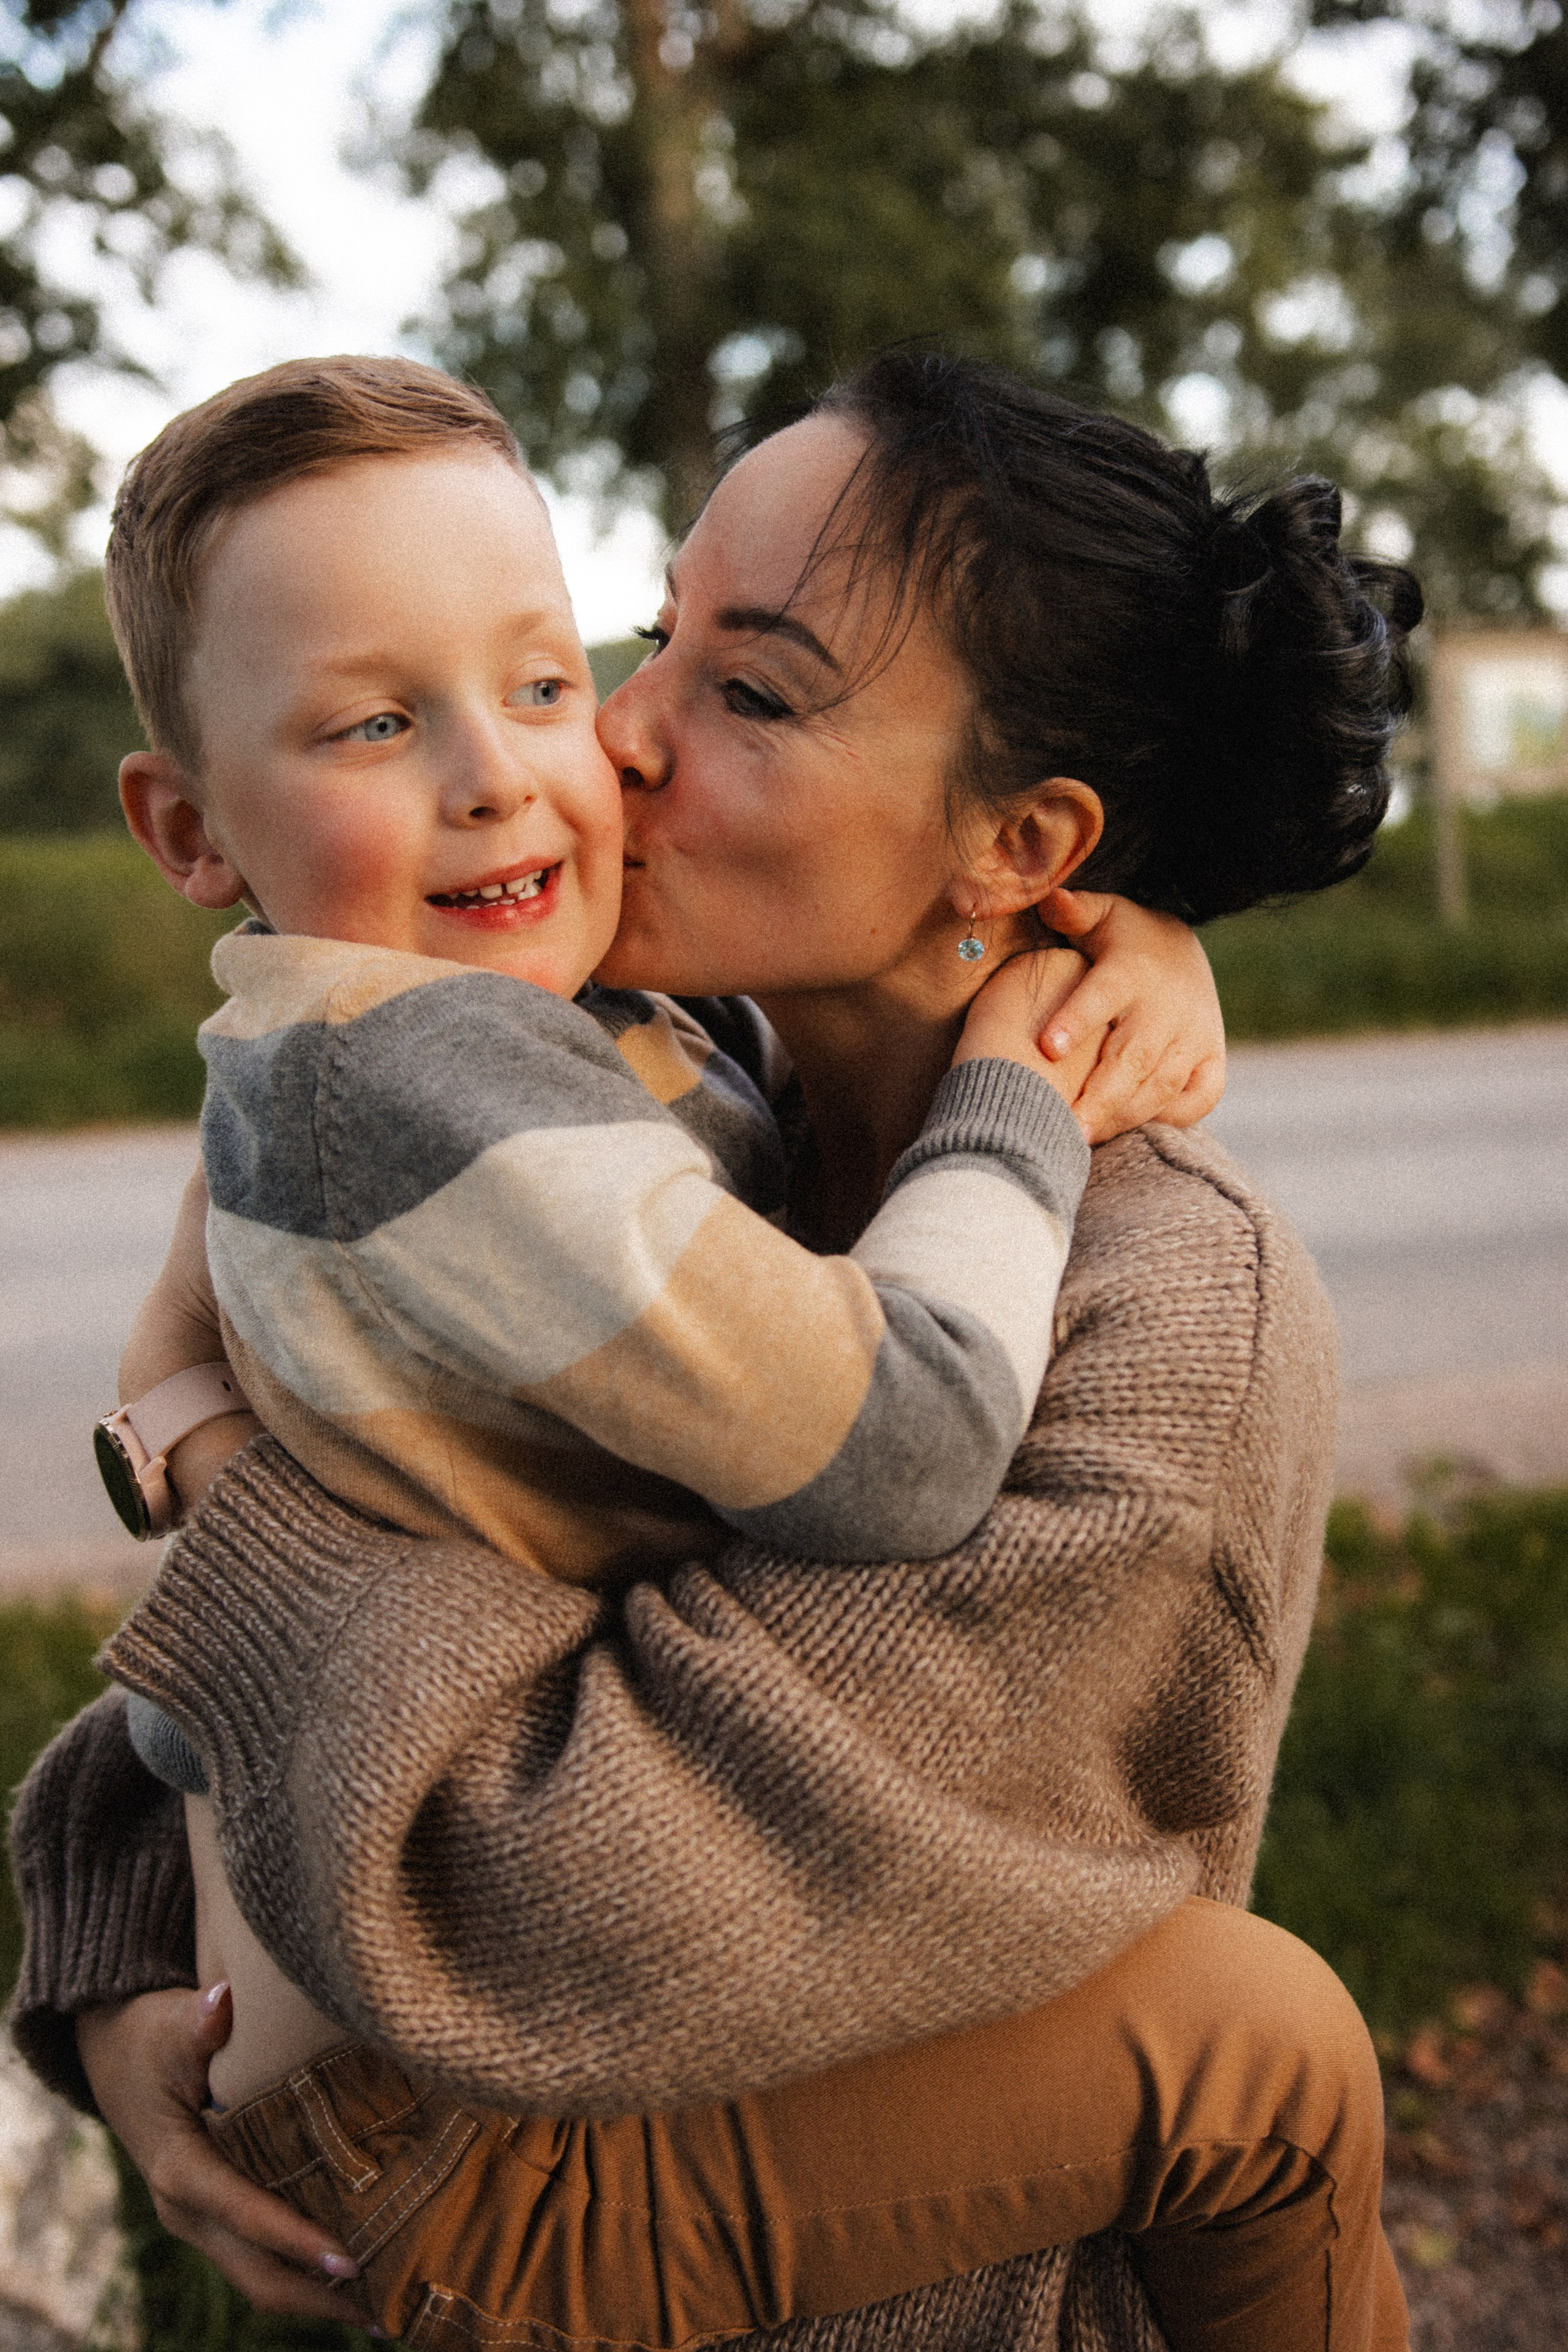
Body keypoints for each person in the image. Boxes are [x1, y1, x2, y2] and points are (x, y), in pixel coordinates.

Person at [9, 352, 1421, 2351]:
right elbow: (430, 1535)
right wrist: (118, 1964)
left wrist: (202, 1448)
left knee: (1268, 2049)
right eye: (652, 635)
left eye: (752, 691)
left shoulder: (1155, 1331)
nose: (611, 745)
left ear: (1023, 847)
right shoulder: (648, 1096)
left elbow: (551, 1876)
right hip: (468, 2180)